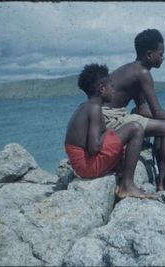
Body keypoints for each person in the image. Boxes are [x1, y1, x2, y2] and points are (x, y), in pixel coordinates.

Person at [101, 29, 165, 191]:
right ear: (149, 55)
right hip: (109, 119)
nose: (163, 58)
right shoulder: (143, 73)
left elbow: (142, 109)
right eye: (160, 54)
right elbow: (158, 113)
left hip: (104, 115)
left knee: (138, 113)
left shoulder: (132, 69)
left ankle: (163, 180)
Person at [64, 63, 152, 199]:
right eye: (111, 86)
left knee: (120, 140)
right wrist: (109, 133)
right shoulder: (94, 109)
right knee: (135, 128)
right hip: (87, 167)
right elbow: (94, 147)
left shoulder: (85, 107)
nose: (114, 90)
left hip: (81, 166)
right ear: (101, 89)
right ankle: (127, 186)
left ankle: (121, 175)